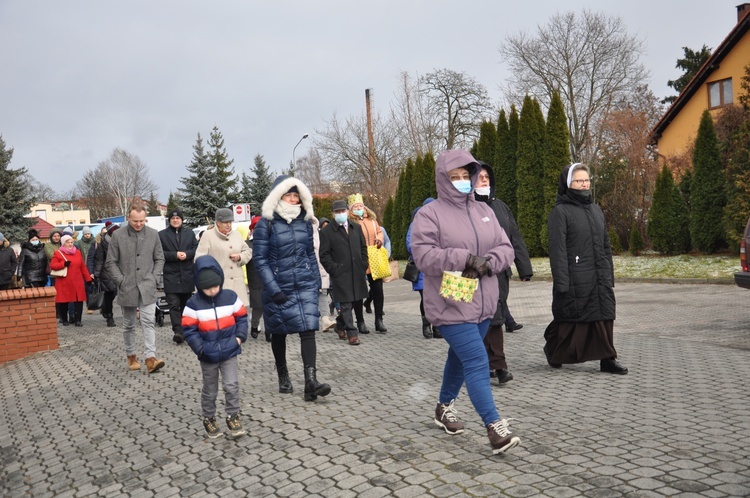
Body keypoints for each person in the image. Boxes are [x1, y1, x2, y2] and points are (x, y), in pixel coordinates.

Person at [411, 149, 521, 455]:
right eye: (454, 176)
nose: (461, 181)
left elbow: (505, 246)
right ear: (443, 179)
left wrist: (488, 262)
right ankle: (494, 426)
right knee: (476, 360)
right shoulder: (429, 213)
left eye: (465, 176)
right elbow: (423, 254)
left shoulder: (484, 211)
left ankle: (443, 407)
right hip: (451, 303)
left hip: (484, 303)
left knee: (459, 358)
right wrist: (463, 258)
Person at [544, 163, 628, 375]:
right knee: (571, 322)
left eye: (586, 180)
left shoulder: (596, 210)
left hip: (598, 275)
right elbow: (557, 250)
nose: (584, 184)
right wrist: (562, 281)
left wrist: (608, 274)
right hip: (575, 276)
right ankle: (553, 348)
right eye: (578, 180)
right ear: (568, 184)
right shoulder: (560, 212)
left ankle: (608, 359)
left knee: (604, 316)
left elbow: (605, 244)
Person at [253, 175, 331, 401]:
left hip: (304, 283)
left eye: (296, 195)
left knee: (308, 330)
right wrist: (272, 287)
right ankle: (283, 375)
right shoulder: (265, 223)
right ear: (278, 195)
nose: (293, 199)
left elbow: (309, 253)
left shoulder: (305, 221)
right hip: (278, 285)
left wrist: (316, 281)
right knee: (279, 332)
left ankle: (311, 382)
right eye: (289, 194)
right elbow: (260, 259)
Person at [474, 162, 533, 384]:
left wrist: (523, 267)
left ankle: (498, 365)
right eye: (479, 177)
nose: (484, 180)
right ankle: (485, 363)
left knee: (496, 318)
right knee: (478, 319)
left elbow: (514, 237)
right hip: (473, 272)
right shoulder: (464, 208)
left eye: (487, 177)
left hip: (499, 273)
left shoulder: (501, 207)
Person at [182, 255, 249, 439]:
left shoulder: (230, 297)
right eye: (207, 288)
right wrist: (200, 349)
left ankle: (233, 415)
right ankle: (209, 418)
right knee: (210, 389)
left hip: (230, 351)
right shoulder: (193, 304)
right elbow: (189, 329)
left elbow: (242, 317)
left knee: (231, 384)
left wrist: (239, 337)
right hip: (208, 355)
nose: (212, 291)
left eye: (215, 286)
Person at [106, 204, 166, 374]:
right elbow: (111, 262)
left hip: (147, 285)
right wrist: (121, 280)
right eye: (135, 221)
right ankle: (131, 355)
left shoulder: (153, 234)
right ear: (128, 218)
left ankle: (150, 358)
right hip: (128, 286)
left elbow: (159, 258)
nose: (139, 224)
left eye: (141, 221)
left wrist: (154, 277)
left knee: (148, 321)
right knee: (129, 324)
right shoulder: (118, 235)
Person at [319, 200, 370, 346]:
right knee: (346, 303)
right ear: (333, 214)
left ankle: (340, 325)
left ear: (348, 211)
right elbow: (324, 255)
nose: (340, 214)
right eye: (337, 212)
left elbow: (363, 248)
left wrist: (363, 263)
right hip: (340, 273)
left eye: (342, 211)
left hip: (356, 271)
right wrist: (335, 269)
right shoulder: (326, 232)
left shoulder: (356, 228)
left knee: (354, 301)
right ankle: (352, 333)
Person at [195, 209, 252, 309]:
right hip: (218, 285)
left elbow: (248, 251)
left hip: (237, 286)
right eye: (225, 222)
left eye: (230, 222)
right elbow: (199, 259)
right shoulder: (208, 236)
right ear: (217, 222)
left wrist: (240, 257)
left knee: (240, 317)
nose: (228, 225)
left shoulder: (237, 235)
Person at [159, 209, 199, 344]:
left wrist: (187, 254)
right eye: (173, 218)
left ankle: (187, 330)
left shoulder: (189, 234)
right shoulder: (162, 235)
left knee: (186, 306)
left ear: (182, 220)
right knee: (173, 305)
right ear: (169, 220)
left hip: (187, 274)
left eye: (178, 218)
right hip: (171, 275)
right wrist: (174, 255)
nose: (175, 220)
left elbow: (196, 249)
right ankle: (178, 331)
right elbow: (159, 253)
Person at [348, 193, 386, 333]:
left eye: (360, 206)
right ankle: (360, 321)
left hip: (374, 257)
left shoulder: (372, 220)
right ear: (351, 209)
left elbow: (379, 232)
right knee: (359, 291)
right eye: (355, 206)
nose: (358, 208)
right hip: (359, 258)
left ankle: (379, 320)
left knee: (378, 289)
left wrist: (380, 239)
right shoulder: (351, 222)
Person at [405, 198, 441, 339]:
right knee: (426, 297)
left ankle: (437, 326)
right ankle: (426, 323)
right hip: (422, 267)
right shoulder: (416, 224)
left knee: (438, 297)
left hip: (438, 266)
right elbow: (410, 244)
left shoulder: (441, 222)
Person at [50, 234, 93, 326]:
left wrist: (88, 279)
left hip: (77, 281)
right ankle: (65, 319)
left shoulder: (77, 252)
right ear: (63, 243)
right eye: (68, 242)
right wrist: (63, 264)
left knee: (79, 300)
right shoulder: (58, 253)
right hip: (64, 281)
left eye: (71, 242)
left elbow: (82, 266)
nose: (70, 244)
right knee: (64, 301)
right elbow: (53, 265)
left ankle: (78, 320)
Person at [238, 217, 265, 341]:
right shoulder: (247, 244)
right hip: (255, 278)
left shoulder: (270, 242)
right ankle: (254, 325)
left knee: (271, 305)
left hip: (270, 278)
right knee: (258, 305)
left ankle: (271, 330)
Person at [95, 224, 120, 327]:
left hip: (121, 271)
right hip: (107, 273)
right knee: (109, 296)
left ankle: (127, 315)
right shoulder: (103, 244)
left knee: (120, 294)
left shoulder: (123, 242)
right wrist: (97, 274)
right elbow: (100, 260)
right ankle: (110, 317)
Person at [75, 226, 96, 314]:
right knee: (88, 288)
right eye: (86, 234)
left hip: (93, 267)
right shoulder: (79, 243)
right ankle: (89, 305)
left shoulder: (95, 242)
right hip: (83, 268)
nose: (88, 235)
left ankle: (100, 305)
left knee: (96, 288)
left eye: (89, 233)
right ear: (83, 234)